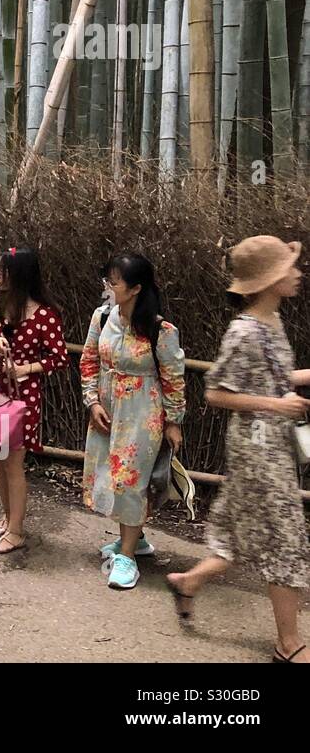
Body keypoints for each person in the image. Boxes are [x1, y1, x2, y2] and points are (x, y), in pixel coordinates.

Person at [166, 237, 310, 663]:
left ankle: (188, 582)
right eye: (291, 269)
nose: (298, 274)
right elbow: (214, 393)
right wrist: (276, 404)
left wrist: (294, 385)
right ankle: (288, 644)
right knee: (284, 539)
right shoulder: (243, 331)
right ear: (270, 281)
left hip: (273, 444)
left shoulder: (272, 322)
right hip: (259, 451)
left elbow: (276, 375)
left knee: (238, 531)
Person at [80, 253, 185, 589]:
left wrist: (173, 421)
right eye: (107, 281)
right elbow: (88, 360)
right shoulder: (102, 317)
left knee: (129, 480)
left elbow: (174, 378)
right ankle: (135, 540)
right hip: (108, 410)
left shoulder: (160, 330)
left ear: (136, 288)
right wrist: (92, 401)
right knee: (110, 477)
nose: (108, 288)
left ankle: (126, 556)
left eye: (115, 282)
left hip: (143, 415)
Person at [0, 247, 68, 555]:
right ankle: (9, 517)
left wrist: (26, 368)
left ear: (20, 275)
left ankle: (17, 532)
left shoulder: (45, 315)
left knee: (14, 462)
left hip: (26, 395)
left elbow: (60, 358)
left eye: (4, 270)